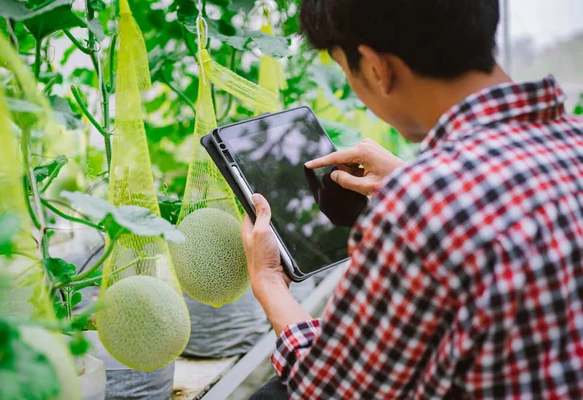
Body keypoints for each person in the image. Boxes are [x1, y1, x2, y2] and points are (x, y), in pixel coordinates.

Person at [243, 0, 583, 398]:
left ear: (375, 67)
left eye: (344, 68)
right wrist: (412, 180)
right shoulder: (573, 139)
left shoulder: (421, 206)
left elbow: (330, 390)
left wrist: (268, 280)